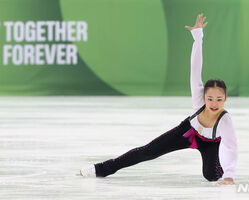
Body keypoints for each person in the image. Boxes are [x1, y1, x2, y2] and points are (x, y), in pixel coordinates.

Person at [80, 13, 238, 185]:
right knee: (148, 151)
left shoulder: (225, 120)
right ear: (203, 97)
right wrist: (198, 37)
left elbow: (231, 147)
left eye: (219, 99)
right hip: (187, 131)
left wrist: (229, 175)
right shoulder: (198, 99)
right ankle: (101, 168)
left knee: (212, 176)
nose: (214, 103)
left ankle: (221, 170)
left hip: (211, 144)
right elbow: (195, 67)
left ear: (225, 98)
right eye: (210, 98)